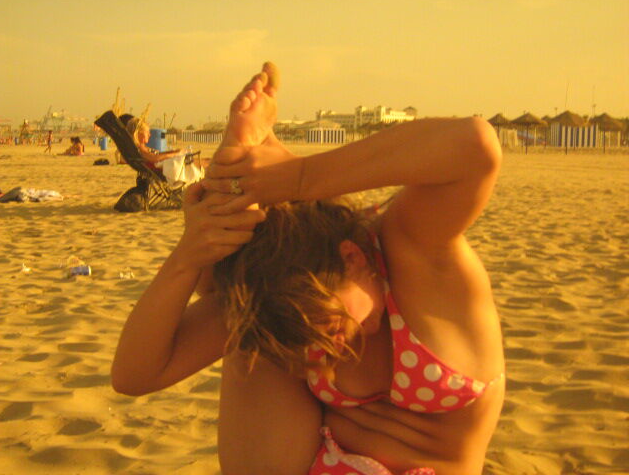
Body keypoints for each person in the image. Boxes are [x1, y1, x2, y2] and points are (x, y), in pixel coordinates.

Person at [111, 62, 505, 475]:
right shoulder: (283, 309)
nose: (333, 349)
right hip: (320, 464)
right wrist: (187, 258)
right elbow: (135, 376)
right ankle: (233, 193)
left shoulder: (413, 250)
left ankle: (240, 180)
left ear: (353, 258)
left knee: (244, 308)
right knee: (249, 323)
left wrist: (302, 176)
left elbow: (475, 145)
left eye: (332, 326)